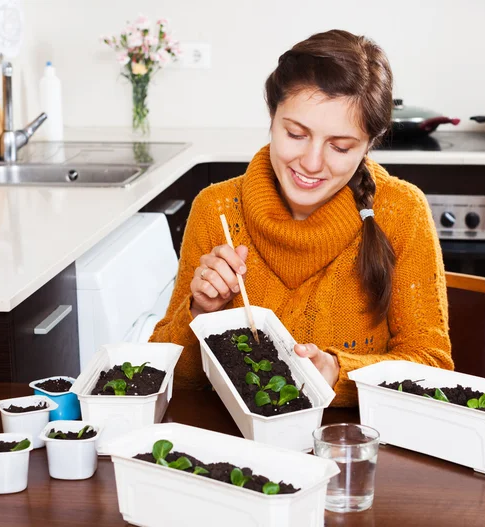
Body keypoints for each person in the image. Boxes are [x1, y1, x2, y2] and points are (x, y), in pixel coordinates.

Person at [149, 29, 453, 406]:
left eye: (340, 147)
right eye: (295, 134)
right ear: (272, 116)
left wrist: (338, 374)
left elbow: (432, 367)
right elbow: (169, 376)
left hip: (350, 448)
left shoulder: (402, 212)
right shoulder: (216, 209)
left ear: (369, 143)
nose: (311, 164)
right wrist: (199, 311)